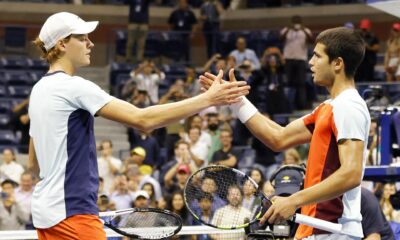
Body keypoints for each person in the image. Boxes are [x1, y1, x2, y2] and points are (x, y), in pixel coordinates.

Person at [28, 11, 249, 240]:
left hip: (47, 211)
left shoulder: (38, 91)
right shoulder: (73, 87)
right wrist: (208, 99)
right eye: (83, 38)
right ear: (62, 44)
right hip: (72, 211)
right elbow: (144, 120)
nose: (90, 43)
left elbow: (34, 164)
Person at [200, 27, 370, 239]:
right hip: (317, 229)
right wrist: (236, 100)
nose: (310, 62)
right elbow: (278, 138)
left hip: (334, 230)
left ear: (337, 63)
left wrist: (294, 200)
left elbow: (351, 174)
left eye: (317, 56)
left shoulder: (348, 106)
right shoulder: (329, 107)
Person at [280, 15, 313, 110]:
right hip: (288, 60)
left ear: (301, 22)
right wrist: (288, 29)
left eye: (297, 21)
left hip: (301, 60)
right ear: (291, 22)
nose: (296, 23)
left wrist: (303, 30)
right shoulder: (286, 30)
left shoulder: (305, 30)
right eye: (294, 21)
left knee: (301, 83)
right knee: (289, 82)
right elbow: (280, 39)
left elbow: (311, 41)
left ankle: (301, 105)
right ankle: (288, 105)